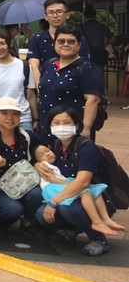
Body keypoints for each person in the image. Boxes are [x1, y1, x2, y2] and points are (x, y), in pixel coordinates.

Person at [33, 107, 119, 255]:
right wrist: (37, 164)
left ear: (76, 125)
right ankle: (70, 230)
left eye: (67, 122)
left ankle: (99, 239)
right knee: (42, 214)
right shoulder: (56, 146)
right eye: (56, 123)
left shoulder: (85, 147)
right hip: (72, 194)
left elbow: (83, 182)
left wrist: (53, 202)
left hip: (95, 198)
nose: (61, 127)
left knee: (68, 209)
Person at [0, 97, 43, 231]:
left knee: (37, 194)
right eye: (4, 113)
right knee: (13, 209)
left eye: (15, 114)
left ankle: (28, 222)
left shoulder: (26, 136)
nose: (10, 118)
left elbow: (43, 150)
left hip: (23, 185)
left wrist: (39, 164)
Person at [33, 143, 124, 238]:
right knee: (85, 192)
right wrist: (36, 164)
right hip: (53, 187)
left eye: (47, 150)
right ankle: (97, 222)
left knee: (95, 190)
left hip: (61, 184)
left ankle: (105, 219)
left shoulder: (83, 147)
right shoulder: (46, 165)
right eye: (42, 155)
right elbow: (53, 179)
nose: (47, 154)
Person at [38, 25, 104, 140]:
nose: (66, 44)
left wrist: (86, 128)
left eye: (71, 41)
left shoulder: (86, 68)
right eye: (61, 41)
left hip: (74, 129)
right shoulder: (49, 65)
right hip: (48, 127)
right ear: (55, 43)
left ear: (79, 45)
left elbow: (93, 100)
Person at [0, 28, 39, 129]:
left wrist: (36, 119)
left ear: (10, 43)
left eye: (2, 43)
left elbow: (30, 95)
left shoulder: (25, 66)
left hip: (22, 118)